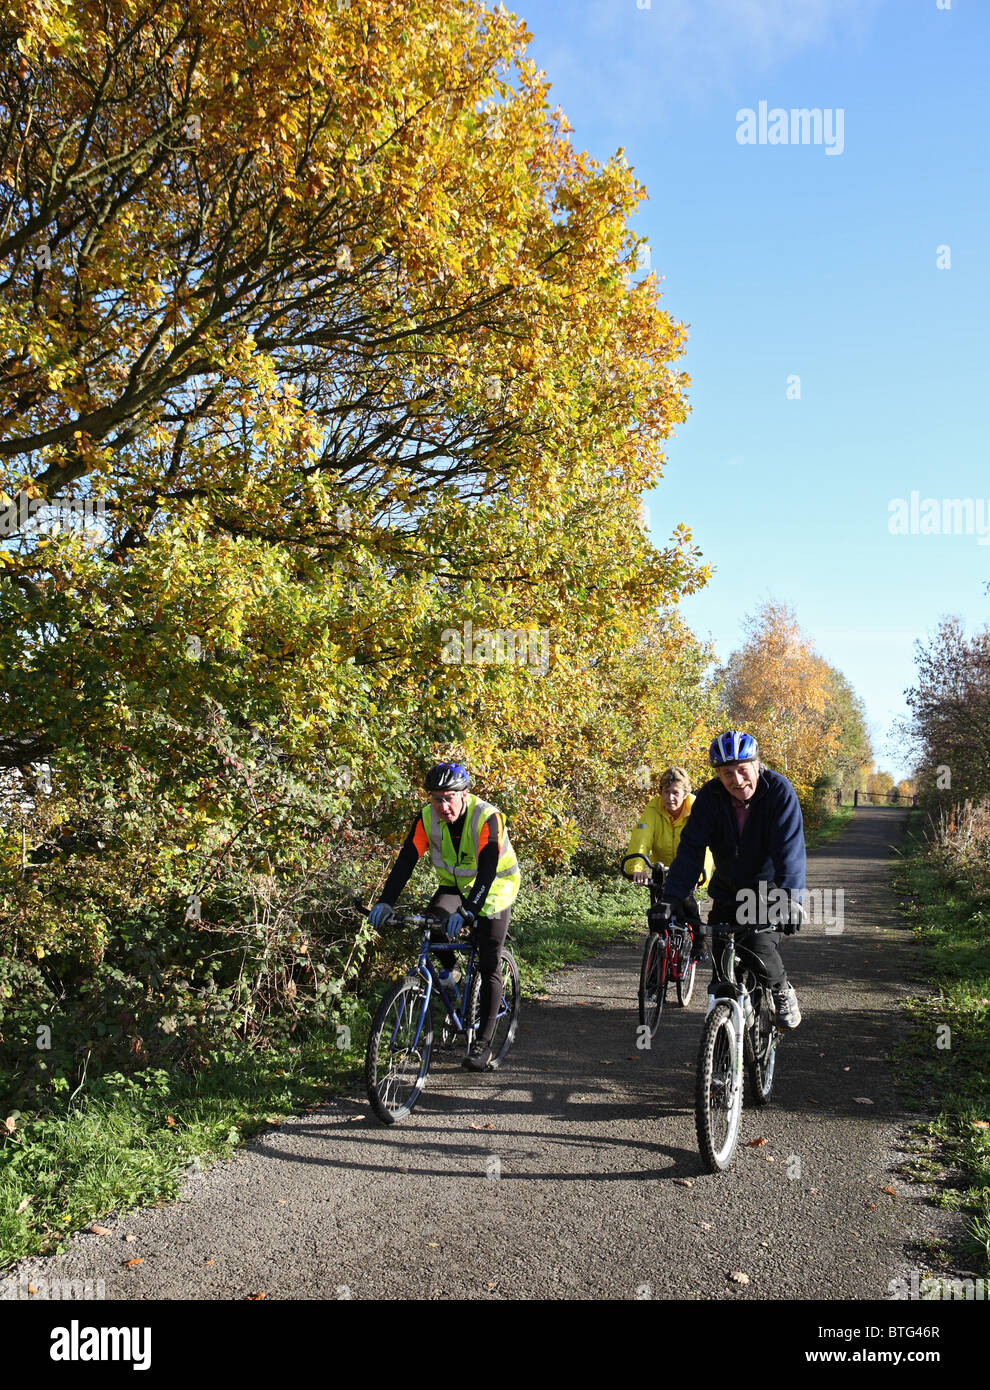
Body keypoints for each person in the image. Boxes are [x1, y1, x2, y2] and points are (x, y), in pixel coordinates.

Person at [368, 762, 521, 1070]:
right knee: (431, 924)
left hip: (495, 889)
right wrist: (385, 901)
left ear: (465, 795)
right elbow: (406, 861)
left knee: (489, 961)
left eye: (449, 797)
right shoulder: (427, 819)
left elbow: (489, 869)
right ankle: (452, 973)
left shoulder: (487, 817)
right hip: (456, 885)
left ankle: (483, 1044)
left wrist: (469, 912)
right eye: (436, 798)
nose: (442, 805)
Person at [660, 731, 805, 1028]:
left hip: (769, 890)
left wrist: (791, 897)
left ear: (757, 764)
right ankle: (727, 1037)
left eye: (742, 770)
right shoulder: (710, 798)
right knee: (722, 972)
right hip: (728, 891)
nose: (737, 780)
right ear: (718, 774)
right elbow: (690, 850)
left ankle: (781, 991)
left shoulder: (778, 791)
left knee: (756, 946)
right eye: (727, 773)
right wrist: (672, 899)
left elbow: (790, 849)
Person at [625, 767, 714, 960]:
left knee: (688, 906)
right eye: (666, 792)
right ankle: (654, 965)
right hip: (662, 869)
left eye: (675, 792)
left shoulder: (697, 810)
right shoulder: (653, 809)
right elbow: (641, 838)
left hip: (689, 867)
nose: (670, 798)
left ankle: (700, 941)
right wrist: (637, 867)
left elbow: (705, 847)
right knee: (657, 916)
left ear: (685, 793)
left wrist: (700, 874)